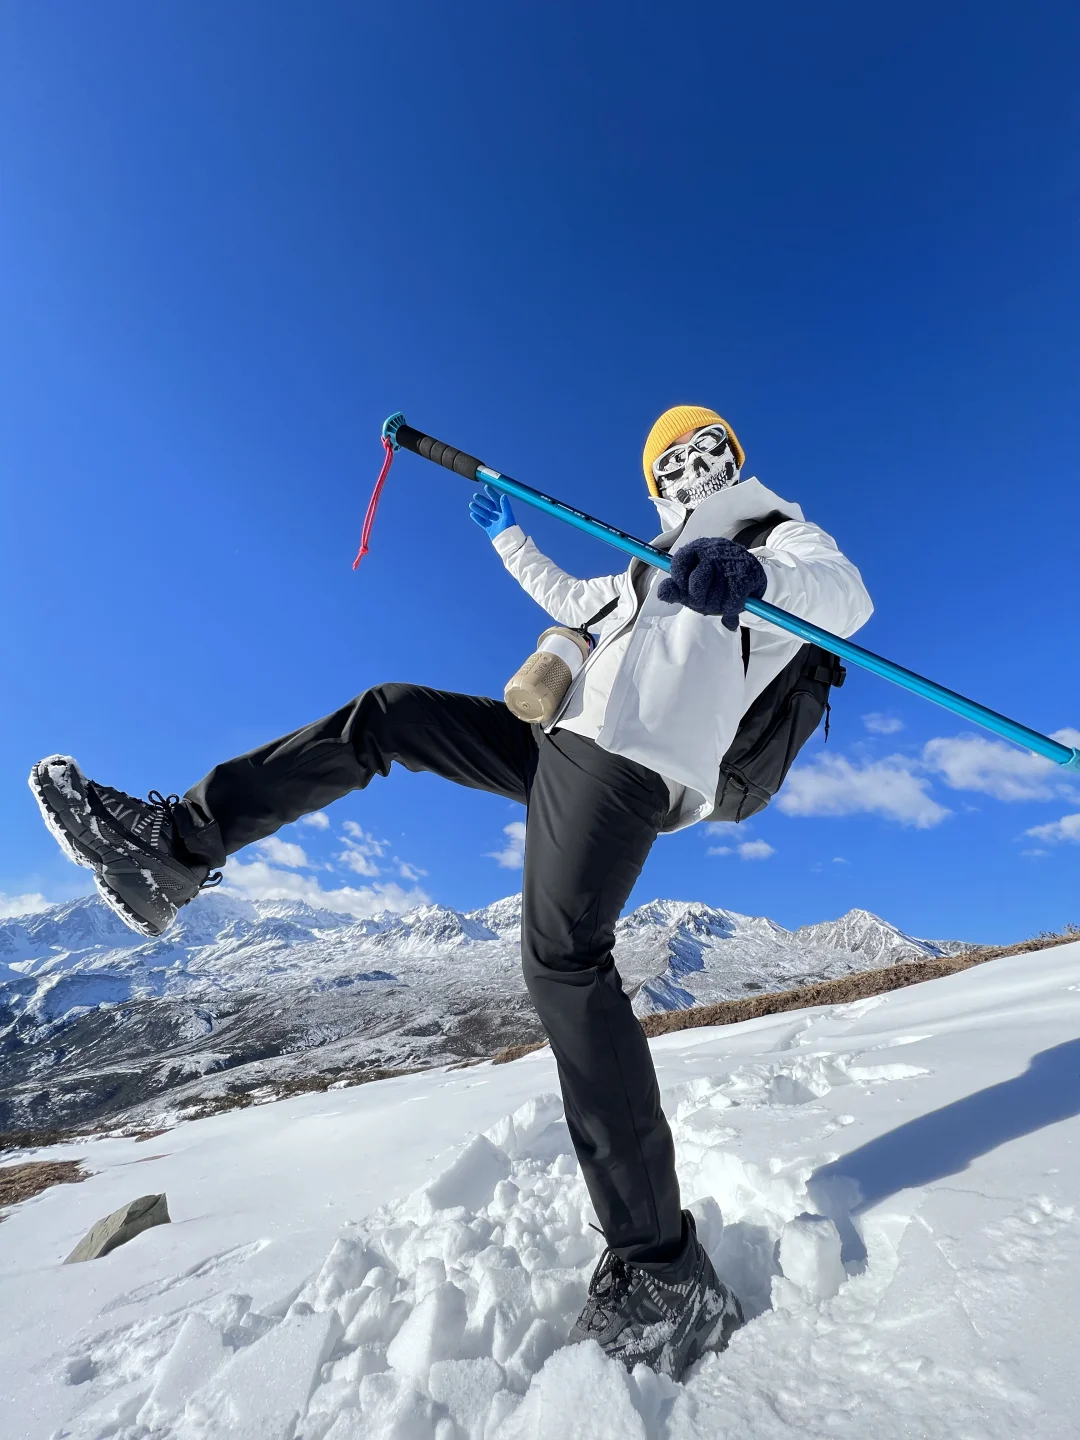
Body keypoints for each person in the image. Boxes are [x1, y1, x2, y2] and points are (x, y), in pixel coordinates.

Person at [29, 404, 872, 1379]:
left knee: (564, 959)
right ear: (653, 488)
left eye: (706, 452)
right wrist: (507, 529)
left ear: (734, 459)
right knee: (387, 716)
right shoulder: (646, 562)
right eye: (671, 463)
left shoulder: (773, 531)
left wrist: (755, 574)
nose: (692, 469)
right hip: (572, 738)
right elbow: (572, 612)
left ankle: (662, 1267)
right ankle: (175, 846)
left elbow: (842, 593)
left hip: (642, 757)